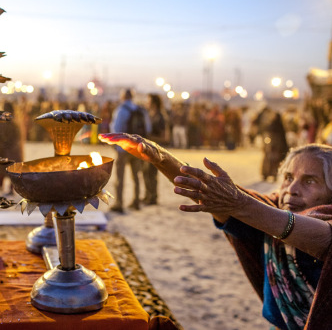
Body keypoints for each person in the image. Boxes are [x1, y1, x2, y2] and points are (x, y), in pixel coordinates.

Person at [99, 132, 332, 329]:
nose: (292, 189)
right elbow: (209, 192)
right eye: (288, 178)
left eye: (309, 181)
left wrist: (239, 204)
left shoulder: (275, 216)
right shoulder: (267, 210)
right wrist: (161, 159)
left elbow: (321, 236)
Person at [109, 89, 151, 212]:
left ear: (123, 96)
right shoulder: (140, 110)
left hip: (123, 148)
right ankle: (136, 200)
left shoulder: (121, 110)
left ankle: (119, 202)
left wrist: (116, 146)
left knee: (120, 177)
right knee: (136, 175)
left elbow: (116, 129)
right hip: (137, 147)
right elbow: (147, 128)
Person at [0, 101, 23, 195]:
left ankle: (4, 187)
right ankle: (6, 188)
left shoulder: (6, 121)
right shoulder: (14, 121)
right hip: (8, 149)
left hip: (7, 149)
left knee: (4, 169)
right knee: (8, 169)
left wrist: (1, 143)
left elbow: (15, 136)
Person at [142, 93, 167, 205]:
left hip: (155, 149)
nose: (148, 103)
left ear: (154, 103)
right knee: (145, 172)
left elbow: (165, 137)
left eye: (149, 101)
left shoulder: (160, 117)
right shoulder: (150, 115)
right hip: (147, 148)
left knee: (152, 173)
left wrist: (149, 137)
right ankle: (148, 195)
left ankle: (153, 197)